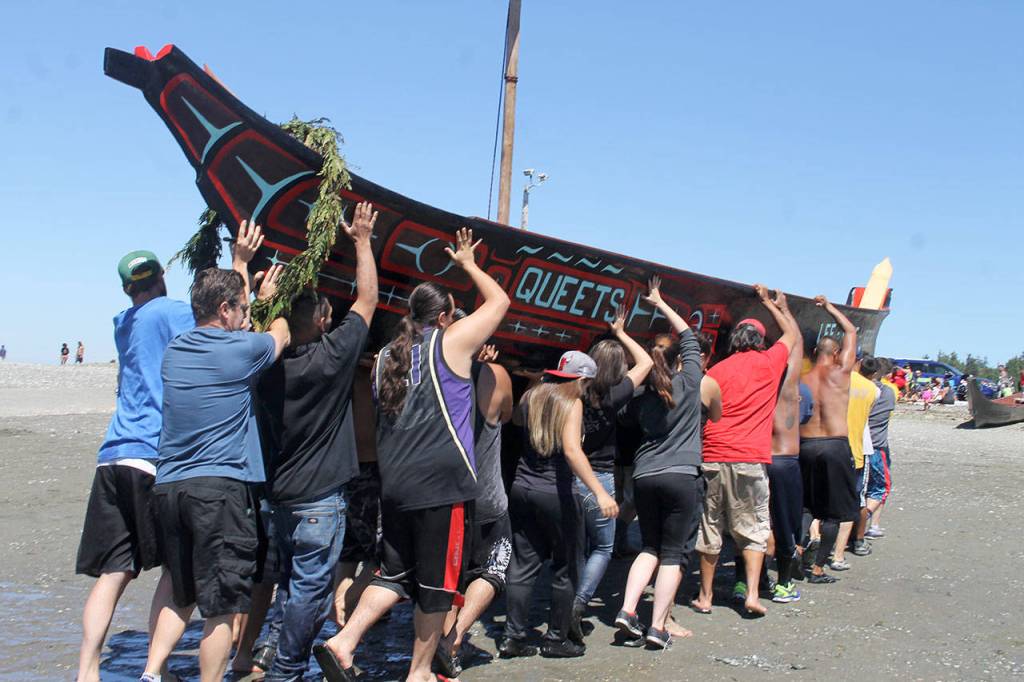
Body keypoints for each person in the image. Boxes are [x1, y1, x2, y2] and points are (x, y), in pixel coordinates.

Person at [315, 227, 509, 682]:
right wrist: (469, 266)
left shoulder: (385, 357)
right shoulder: (453, 341)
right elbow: (500, 303)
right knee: (437, 588)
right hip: (442, 488)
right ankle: (419, 672)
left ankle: (343, 642)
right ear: (444, 316)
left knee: (393, 574)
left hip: (397, 486)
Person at [142, 220, 291, 682]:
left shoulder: (177, 349)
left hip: (169, 489)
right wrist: (271, 304)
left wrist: (240, 266)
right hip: (218, 490)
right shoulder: (241, 352)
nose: (247, 316)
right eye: (241, 309)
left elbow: (223, 320)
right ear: (226, 310)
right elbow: (281, 336)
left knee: (181, 592)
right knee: (223, 604)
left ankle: (151, 673)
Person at [253, 202, 378, 681]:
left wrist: (263, 294)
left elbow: (259, 331)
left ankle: (271, 653)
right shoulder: (332, 358)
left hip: (279, 496)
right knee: (310, 591)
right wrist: (362, 240)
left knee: (290, 582)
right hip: (319, 501)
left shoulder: (263, 365)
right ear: (324, 319)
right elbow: (367, 300)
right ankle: (286, 669)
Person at [74, 249, 194, 682]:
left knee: (113, 573)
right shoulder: (172, 312)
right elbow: (221, 331)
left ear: (128, 289)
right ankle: (153, 671)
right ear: (162, 276)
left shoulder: (123, 324)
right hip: (152, 456)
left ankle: (87, 672)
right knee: (179, 571)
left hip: (112, 456)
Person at [614, 276, 719, 648]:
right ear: (683, 363)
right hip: (682, 475)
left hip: (645, 476)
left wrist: (621, 333)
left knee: (648, 547)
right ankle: (657, 627)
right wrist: (659, 302)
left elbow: (621, 407)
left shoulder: (643, 395)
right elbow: (689, 334)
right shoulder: (692, 381)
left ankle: (627, 610)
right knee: (672, 554)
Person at [500, 351, 618, 659]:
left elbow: (513, 419)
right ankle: (555, 639)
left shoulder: (533, 396)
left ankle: (512, 637)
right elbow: (571, 450)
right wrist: (601, 493)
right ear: (580, 379)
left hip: (523, 488)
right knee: (567, 567)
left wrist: (531, 383)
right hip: (556, 493)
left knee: (523, 565)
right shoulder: (572, 402)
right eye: (586, 383)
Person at [692, 283, 799, 617]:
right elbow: (792, 336)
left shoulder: (716, 371)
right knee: (753, 529)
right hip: (750, 458)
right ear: (760, 341)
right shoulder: (770, 363)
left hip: (712, 455)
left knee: (710, 528)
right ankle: (752, 595)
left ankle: (706, 597)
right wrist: (774, 305)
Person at [570, 308, 654, 636]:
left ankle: (566, 599)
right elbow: (645, 362)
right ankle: (578, 602)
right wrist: (621, 333)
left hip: (569, 476)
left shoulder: (573, 390)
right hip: (600, 477)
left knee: (575, 547)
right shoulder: (614, 393)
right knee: (602, 549)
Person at [434, 344, 515, 678]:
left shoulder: (431, 377)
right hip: (487, 497)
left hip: (441, 495)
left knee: (447, 578)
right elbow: (509, 414)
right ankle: (453, 640)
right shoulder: (495, 377)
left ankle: (439, 644)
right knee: (493, 570)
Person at [798, 295, 858, 584]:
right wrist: (830, 308)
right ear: (836, 354)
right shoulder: (841, 372)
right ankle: (819, 568)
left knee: (806, 506)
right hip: (835, 445)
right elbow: (851, 331)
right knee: (833, 513)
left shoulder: (802, 378)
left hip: (806, 445)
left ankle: (797, 551)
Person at [762, 290, 804, 603]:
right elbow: (796, 340)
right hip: (786, 462)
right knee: (787, 525)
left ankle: (748, 582)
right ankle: (784, 585)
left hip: (761, 459)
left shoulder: (759, 384)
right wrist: (781, 307)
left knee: (758, 525)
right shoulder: (789, 387)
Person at [844, 354, 880, 564]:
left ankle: (817, 538)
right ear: (874, 373)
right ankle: (858, 540)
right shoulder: (874, 390)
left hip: (838, 442)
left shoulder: (844, 379)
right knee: (859, 497)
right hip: (860, 445)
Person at [862, 356, 896, 539]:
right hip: (877, 446)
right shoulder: (888, 393)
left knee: (863, 487)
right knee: (881, 486)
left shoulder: (859, 388)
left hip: (858, 444)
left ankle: (870, 524)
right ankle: (866, 521)